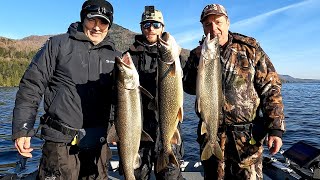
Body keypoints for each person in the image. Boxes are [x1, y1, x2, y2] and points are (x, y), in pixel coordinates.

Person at [11, 0, 121, 179]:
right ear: (83, 18)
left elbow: (121, 100)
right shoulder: (57, 45)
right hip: (60, 145)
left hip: (98, 148)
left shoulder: (116, 57)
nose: (97, 27)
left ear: (109, 24)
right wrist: (23, 129)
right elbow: (31, 86)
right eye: (92, 20)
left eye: (103, 22)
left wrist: (120, 129)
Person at [183, 4, 285, 180]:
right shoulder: (197, 54)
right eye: (207, 24)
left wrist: (275, 129)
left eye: (218, 22)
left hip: (246, 140)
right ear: (202, 28)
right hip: (211, 135)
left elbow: (271, 88)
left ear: (227, 23)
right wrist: (195, 63)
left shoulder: (249, 49)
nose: (213, 28)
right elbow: (189, 88)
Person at [123, 6, 184, 180]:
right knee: (137, 175)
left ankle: (168, 153)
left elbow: (188, 83)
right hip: (139, 130)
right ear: (141, 27)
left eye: (156, 24)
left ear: (162, 27)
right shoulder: (130, 56)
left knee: (170, 176)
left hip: (168, 125)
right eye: (147, 24)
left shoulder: (175, 56)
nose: (151, 28)